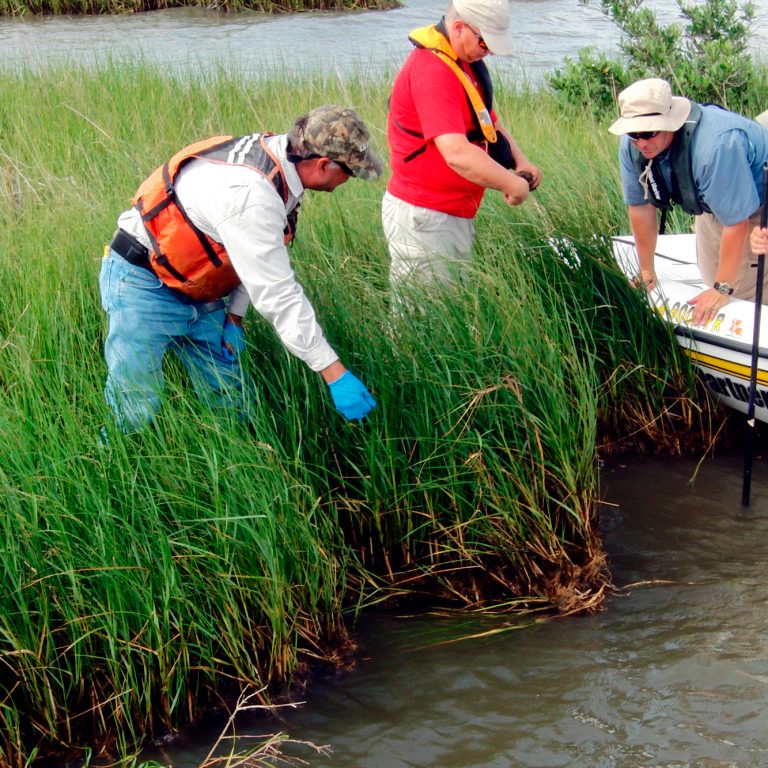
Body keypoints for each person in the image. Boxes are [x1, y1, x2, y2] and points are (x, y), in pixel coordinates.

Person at [100, 105, 382, 433]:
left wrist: (234, 316)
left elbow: (250, 250)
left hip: (200, 285)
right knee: (135, 403)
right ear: (321, 165)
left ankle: (239, 461)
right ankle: (113, 462)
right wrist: (335, 374)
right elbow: (278, 295)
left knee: (228, 396)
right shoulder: (251, 195)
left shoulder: (283, 160)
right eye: (349, 172)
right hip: (141, 281)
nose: (349, 180)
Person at [382, 0, 541, 286]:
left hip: (450, 214)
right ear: (458, 27)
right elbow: (456, 153)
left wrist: (520, 161)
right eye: (484, 41)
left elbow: (490, 122)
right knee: (422, 321)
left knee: (448, 314)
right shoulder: (432, 70)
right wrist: (511, 183)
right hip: (425, 219)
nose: (488, 51)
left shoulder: (464, 63)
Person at [609, 77, 768, 326]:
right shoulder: (632, 147)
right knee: (710, 273)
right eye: (633, 133)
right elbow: (641, 208)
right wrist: (646, 269)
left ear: (670, 123)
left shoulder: (716, 147)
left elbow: (736, 222)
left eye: (649, 132)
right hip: (714, 202)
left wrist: (722, 289)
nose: (641, 142)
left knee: (741, 289)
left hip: (758, 198)